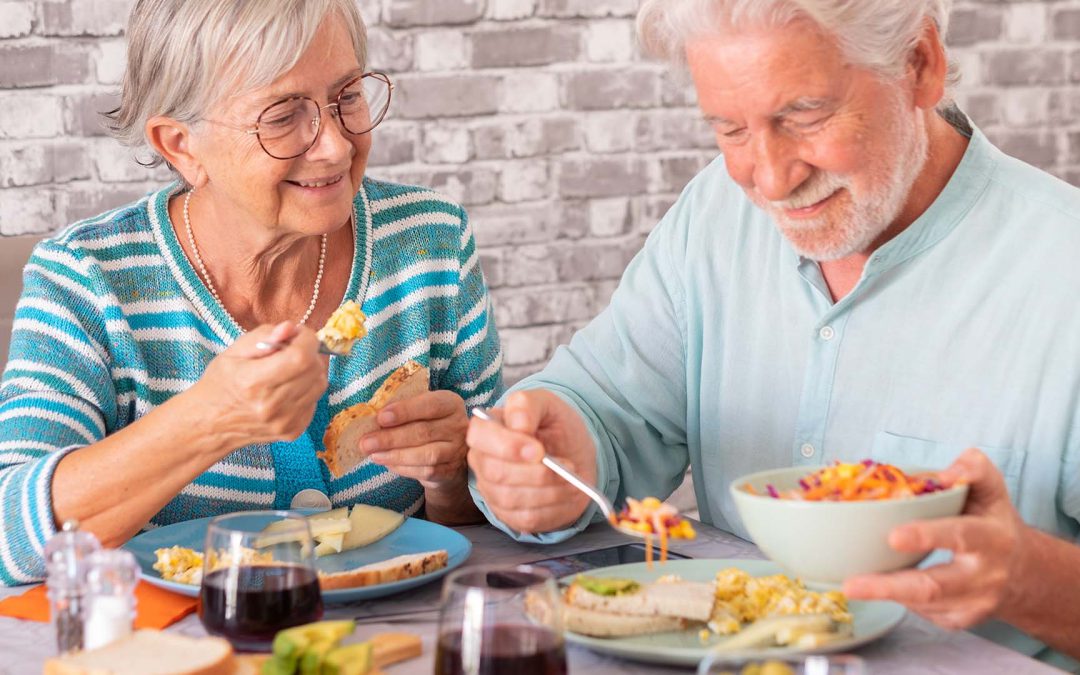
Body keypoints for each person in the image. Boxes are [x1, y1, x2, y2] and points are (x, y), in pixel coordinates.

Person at [465, 0, 1080, 665]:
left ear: (920, 64)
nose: (769, 175)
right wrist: (555, 452)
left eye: (804, 116)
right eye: (730, 129)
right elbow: (601, 409)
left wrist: (1029, 579)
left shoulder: (1061, 268)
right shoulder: (714, 214)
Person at [0, 0, 502, 586]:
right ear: (182, 145)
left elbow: (493, 526)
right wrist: (210, 420)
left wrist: (453, 475)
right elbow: (11, 544)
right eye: (284, 115)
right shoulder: (87, 277)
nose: (336, 146)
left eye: (347, 97)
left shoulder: (429, 242)